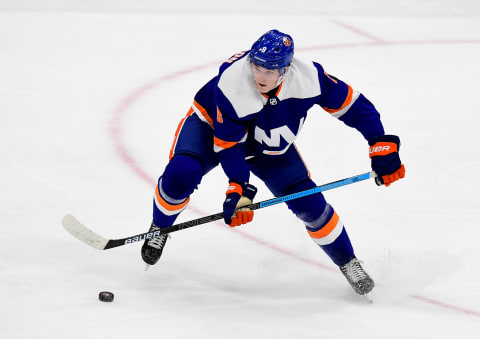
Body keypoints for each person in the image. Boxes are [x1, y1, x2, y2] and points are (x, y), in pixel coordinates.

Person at [141, 29, 405, 295]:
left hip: (267, 141)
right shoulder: (232, 83)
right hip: (211, 126)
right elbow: (230, 146)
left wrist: (379, 142)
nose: (260, 77)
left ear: (286, 69)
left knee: (309, 204)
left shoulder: (309, 78)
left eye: (269, 71)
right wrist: (239, 188)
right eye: (256, 67)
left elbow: (355, 107)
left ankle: (348, 262)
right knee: (181, 174)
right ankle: (160, 226)